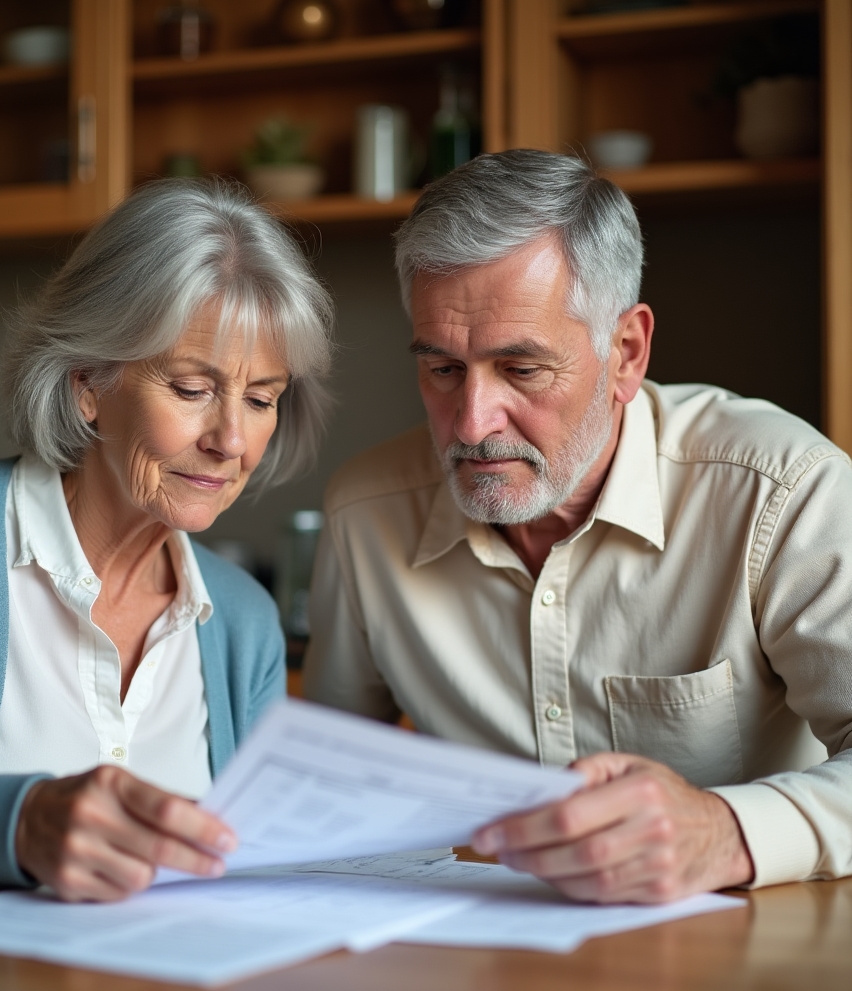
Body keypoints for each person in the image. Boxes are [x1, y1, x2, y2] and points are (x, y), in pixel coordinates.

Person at [305, 149, 852, 904]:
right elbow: (328, 781)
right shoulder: (363, 512)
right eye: (441, 369)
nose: (471, 422)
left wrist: (722, 831)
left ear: (626, 352)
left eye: (522, 370)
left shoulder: (782, 492)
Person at [0, 178, 332, 902]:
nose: (231, 440)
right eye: (192, 390)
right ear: (88, 384)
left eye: (260, 400)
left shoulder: (243, 619)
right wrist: (23, 821)